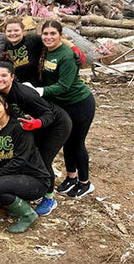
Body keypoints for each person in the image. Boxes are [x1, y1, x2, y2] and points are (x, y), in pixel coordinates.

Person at [0, 54, 72, 215]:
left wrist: (37, 123)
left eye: (4, 76)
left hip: (56, 124)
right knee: (30, 156)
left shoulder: (24, 93)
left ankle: (49, 198)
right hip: (33, 125)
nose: (0, 79)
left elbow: (49, 114)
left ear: (12, 77)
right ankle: (34, 189)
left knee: (43, 159)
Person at [0, 91, 50, 233]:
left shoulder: (19, 128)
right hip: (13, 176)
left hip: (35, 179)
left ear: (5, 106)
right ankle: (16, 205)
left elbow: (20, 160)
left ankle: (28, 215)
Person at [35, 20, 96, 198]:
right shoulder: (46, 49)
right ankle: (71, 177)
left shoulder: (66, 55)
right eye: (45, 34)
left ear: (60, 35)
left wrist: (41, 91)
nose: (48, 37)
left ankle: (85, 182)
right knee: (67, 141)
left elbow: (64, 86)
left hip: (79, 103)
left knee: (77, 142)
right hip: (63, 105)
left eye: (53, 33)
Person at [4, 17, 86, 86]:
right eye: (9, 31)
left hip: (36, 87)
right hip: (17, 85)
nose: (13, 33)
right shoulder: (5, 45)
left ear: (23, 31)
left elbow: (55, 39)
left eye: (16, 30)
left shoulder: (33, 40)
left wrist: (74, 48)